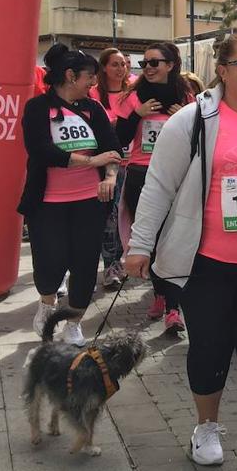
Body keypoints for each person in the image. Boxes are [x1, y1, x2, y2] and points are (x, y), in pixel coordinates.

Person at [126, 34, 237, 466]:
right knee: (210, 347)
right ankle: (205, 427)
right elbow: (158, 185)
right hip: (209, 263)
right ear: (222, 70)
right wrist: (140, 245)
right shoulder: (194, 120)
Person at [20, 44, 121, 347]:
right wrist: (90, 161)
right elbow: (41, 151)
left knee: (85, 265)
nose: (93, 83)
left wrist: (111, 176)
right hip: (47, 204)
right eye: (90, 77)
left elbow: (112, 148)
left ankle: (74, 322)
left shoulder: (93, 108)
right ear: (70, 75)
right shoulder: (38, 108)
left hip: (89, 203)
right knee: (50, 262)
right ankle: (47, 304)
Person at [116, 41, 192, 330]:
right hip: (141, 174)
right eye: (144, 63)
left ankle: (174, 308)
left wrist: (180, 118)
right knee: (154, 241)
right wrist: (138, 114)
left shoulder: (185, 97)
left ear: (170, 65)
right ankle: (160, 295)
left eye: (154, 63)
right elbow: (120, 139)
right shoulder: (131, 98)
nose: (147, 68)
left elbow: (199, 137)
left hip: (178, 177)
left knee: (173, 240)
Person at [90, 47, 131, 290]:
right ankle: (109, 266)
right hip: (103, 166)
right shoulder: (93, 94)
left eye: (123, 64)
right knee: (108, 218)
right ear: (104, 67)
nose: (120, 69)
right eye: (114, 64)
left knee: (124, 218)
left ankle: (121, 262)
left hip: (131, 163)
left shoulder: (131, 93)